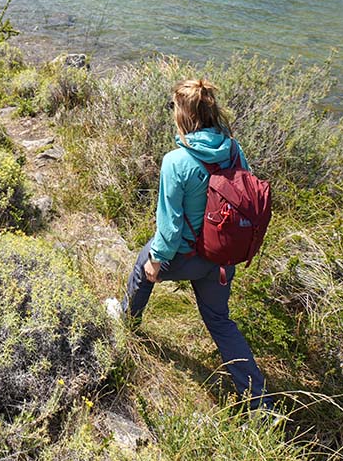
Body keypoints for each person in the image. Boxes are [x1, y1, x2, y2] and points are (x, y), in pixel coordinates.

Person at [109, 78, 272, 410]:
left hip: (185, 256)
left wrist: (156, 260)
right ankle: (259, 403)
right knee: (220, 322)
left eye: (173, 107)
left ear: (183, 114)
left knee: (143, 265)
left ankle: (127, 323)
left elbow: (169, 228)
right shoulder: (234, 149)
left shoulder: (175, 161)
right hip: (222, 259)